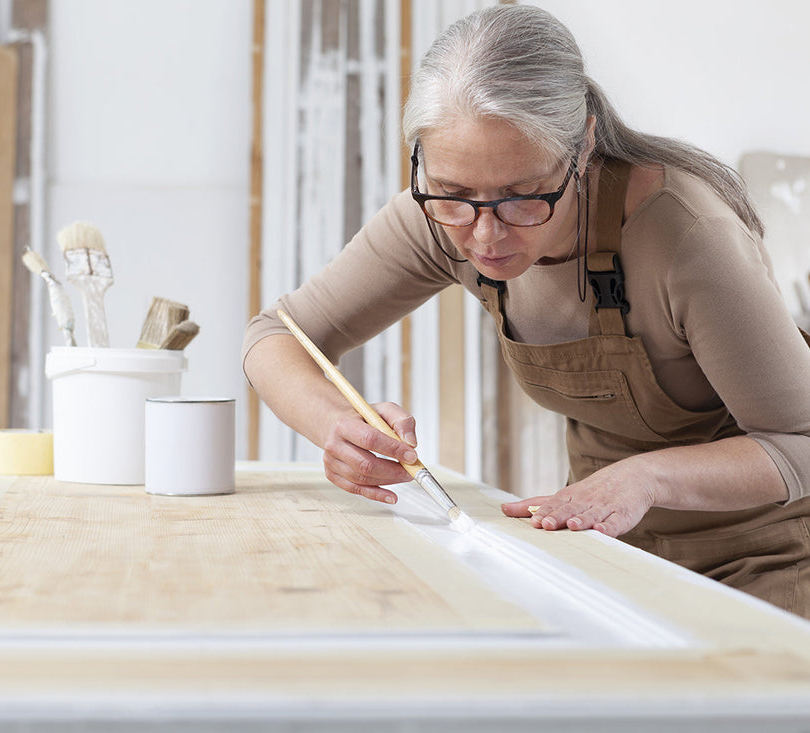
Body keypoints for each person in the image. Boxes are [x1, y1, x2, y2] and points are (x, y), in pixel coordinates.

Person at [241, 5, 810, 618]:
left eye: (522, 197)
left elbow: (799, 441)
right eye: (454, 194)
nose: (485, 235)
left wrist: (648, 478)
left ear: (582, 146)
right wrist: (334, 424)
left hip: (769, 558)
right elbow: (275, 335)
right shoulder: (437, 217)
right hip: (609, 554)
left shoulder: (689, 237)